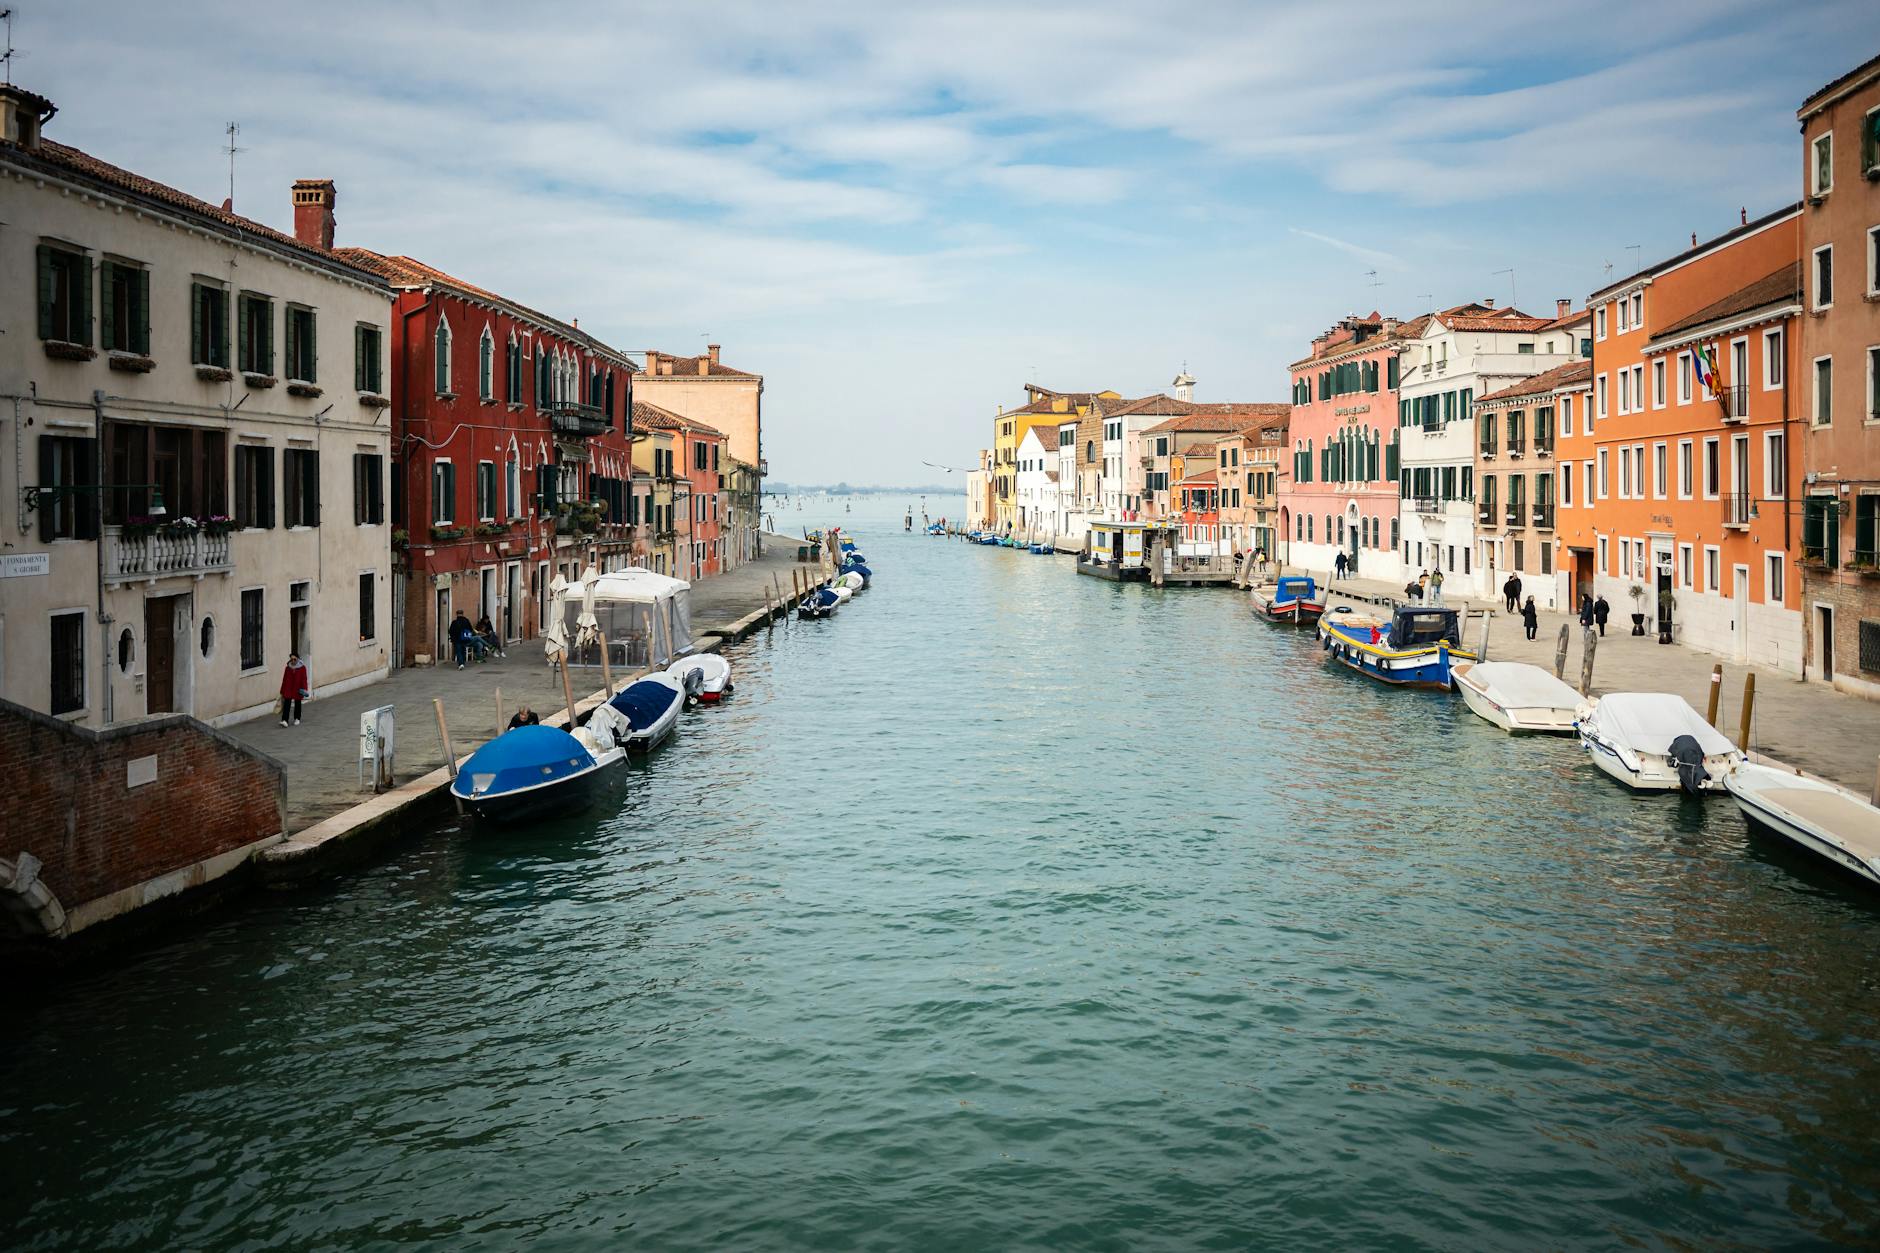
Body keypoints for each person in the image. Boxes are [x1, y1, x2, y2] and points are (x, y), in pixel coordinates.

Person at [279, 653, 310, 726]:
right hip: (288, 688)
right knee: (287, 704)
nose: (293, 661)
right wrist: (282, 690)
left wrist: (304, 689)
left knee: (298, 703)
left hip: (298, 687)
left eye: (294, 659)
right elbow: (284, 679)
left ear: (298, 659)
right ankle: (285, 720)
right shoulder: (288, 668)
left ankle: (297, 718)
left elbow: (304, 679)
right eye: (291, 659)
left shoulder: (302, 668)